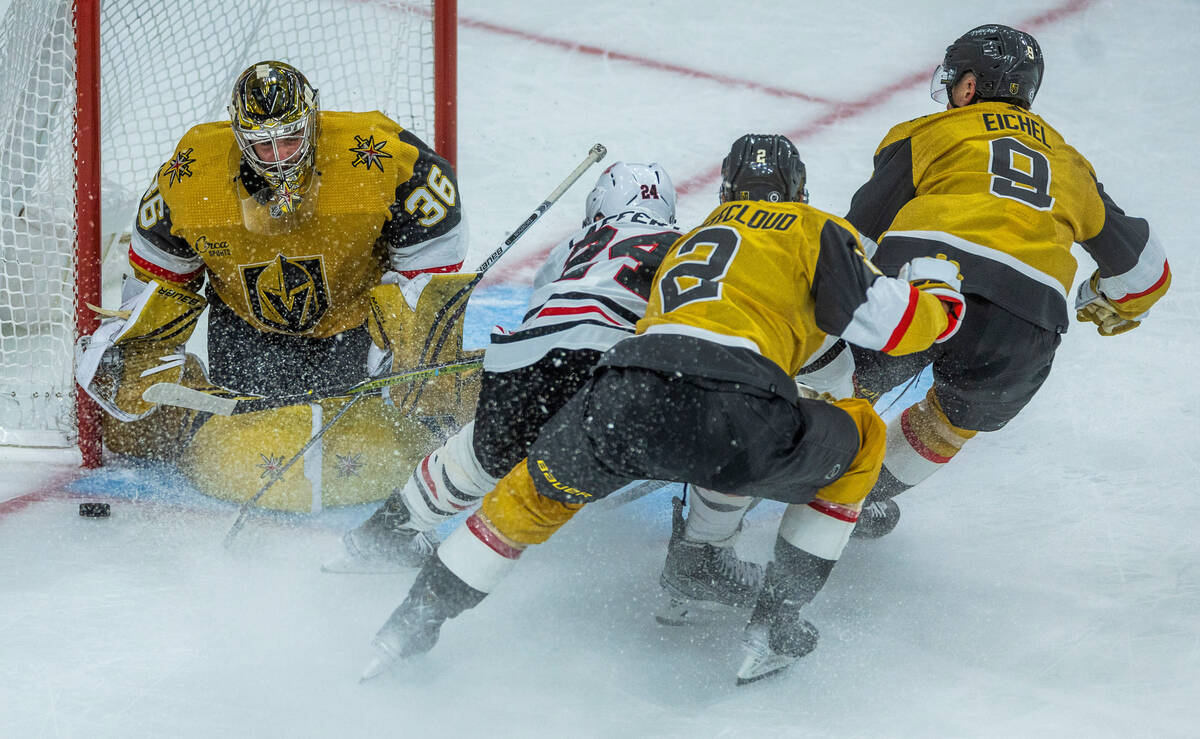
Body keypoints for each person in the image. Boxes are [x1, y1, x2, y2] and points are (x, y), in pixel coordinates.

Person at [359, 134, 968, 685]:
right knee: (852, 432)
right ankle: (772, 619)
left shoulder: (690, 241)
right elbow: (892, 326)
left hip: (623, 389)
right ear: (799, 190)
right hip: (735, 400)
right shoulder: (813, 227)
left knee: (526, 496)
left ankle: (408, 624)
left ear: (726, 189)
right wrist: (941, 297)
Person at [74, 60, 473, 509]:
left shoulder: (384, 158)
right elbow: (156, 287)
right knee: (192, 439)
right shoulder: (190, 179)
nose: (280, 156)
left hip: (351, 325)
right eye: (263, 145)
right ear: (239, 136)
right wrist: (136, 345)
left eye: (290, 138)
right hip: (246, 329)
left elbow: (433, 266)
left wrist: (405, 345)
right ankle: (189, 423)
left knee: (381, 438)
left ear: (313, 120)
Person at [842, 24, 1172, 538]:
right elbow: (1147, 274)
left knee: (838, 381)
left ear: (969, 86)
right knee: (952, 421)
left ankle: (786, 468)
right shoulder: (1069, 163)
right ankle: (863, 497)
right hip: (1027, 322)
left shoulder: (927, 133)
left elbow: (854, 241)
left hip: (922, 286)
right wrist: (1103, 296)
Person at [322, 162, 684, 571]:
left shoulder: (573, 245)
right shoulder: (690, 245)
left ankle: (382, 537)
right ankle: (703, 546)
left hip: (527, 357)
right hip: (614, 366)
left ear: (598, 206)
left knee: (479, 454)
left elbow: (543, 316)